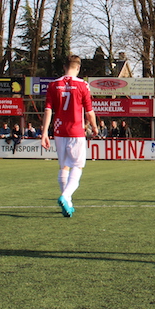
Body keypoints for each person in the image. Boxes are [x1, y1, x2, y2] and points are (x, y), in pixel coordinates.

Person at [41, 54, 97, 217]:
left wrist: (44, 133)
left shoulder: (53, 85)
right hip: (76, 131)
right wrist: (94, 127)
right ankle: (65, 196)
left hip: (59, 131)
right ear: (78, 68)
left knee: (64, 166)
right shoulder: (83, 85)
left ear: (64, 67)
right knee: (77, 167)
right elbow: (89, 111)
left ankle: (68, 203)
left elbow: (48, 110)